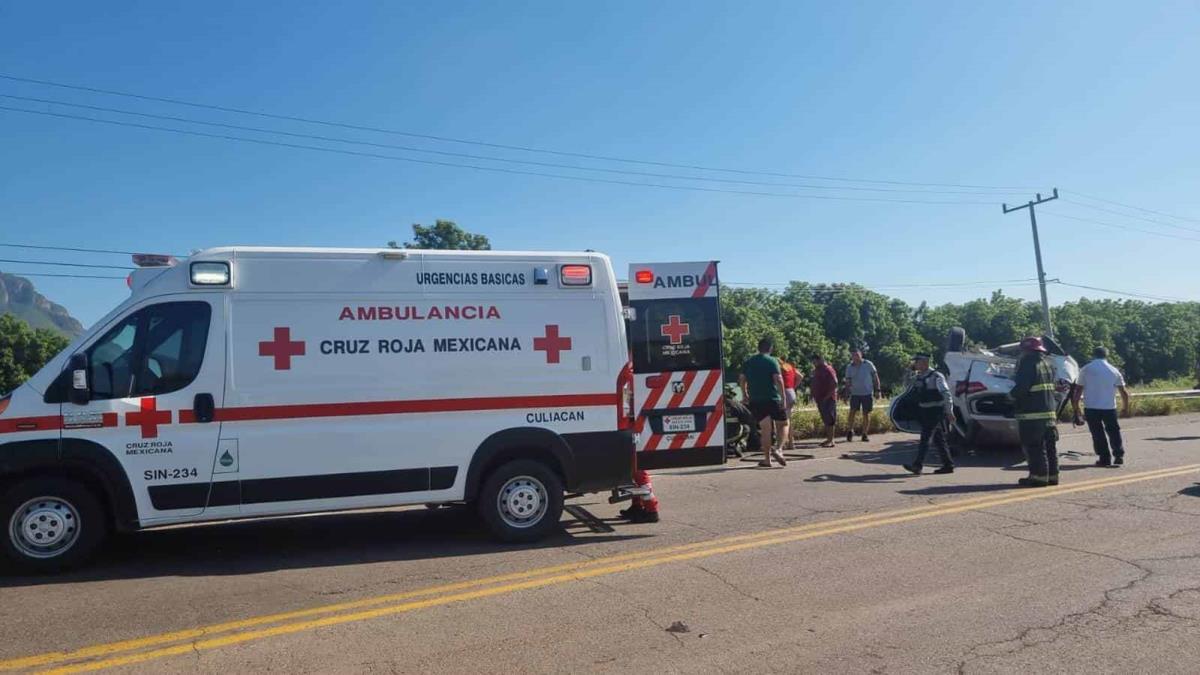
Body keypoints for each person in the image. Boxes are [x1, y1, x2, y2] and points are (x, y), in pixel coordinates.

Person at [1011, 337, 1060, 487]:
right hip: (1049, 413)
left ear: (1026, 350)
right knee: (1050, 447)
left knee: (1034, 447)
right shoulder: (1048, 363)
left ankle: (1038, 477)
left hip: (1032, 414)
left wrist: (1009, 397)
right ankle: (1052, 476)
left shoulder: (1027, 363)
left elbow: (1022, 387)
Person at [1071, 346, 1131, 467]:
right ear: (1106, 355)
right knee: (1114, 431)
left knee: (1097, 434)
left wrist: (1076, 408)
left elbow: (1078, 391)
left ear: (1093, 355)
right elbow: (1123, 392)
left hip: (1091, 407)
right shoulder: (1114, 370)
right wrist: (1125, 407)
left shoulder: (1086, 369)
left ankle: (1104, 458)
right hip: (1109, 407)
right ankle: (1118, 455)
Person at [738, 337, 789, 468]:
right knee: (783, 423)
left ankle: (767, 459)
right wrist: (783, 397)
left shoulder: (748, 362)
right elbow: (778, 379)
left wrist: (745, 394)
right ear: (770, 348)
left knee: (766, 429)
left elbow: (742, 379)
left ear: (758, 348)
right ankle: (779, 449)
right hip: (772, 398)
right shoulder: (772, 361)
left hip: (756, 400)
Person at [901, 354, 955, 475]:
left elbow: (946, 394)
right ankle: (948, 464)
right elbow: (906, 386)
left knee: (925, 437)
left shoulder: (936, 376)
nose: (915, 364)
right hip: (924, 411)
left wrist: (949, 411)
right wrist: (909, 370)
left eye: (917, 362)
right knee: (939, 439)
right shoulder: (918, 377)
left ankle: (917, 465)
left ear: (925, 362)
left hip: (935, 411)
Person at [844, 349, 881, 442]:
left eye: (857, 355)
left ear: (861, 355)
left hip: (867, 393)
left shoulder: (868, 364)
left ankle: (864, 434)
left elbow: (875, 377)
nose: (855, 357)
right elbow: (848, 382)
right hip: (855, 393)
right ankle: (850, 431)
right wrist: (846, 393)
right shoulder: (849, 367)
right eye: (853, 356)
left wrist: (878, 390)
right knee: (852, 412)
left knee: (866, 413)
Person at [809, 354, 839, 448]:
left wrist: (827, 396)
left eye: (815, 361)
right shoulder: (817, 370)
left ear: (820, 360)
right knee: (825, 419)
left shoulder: (828, 369)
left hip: (828, 398)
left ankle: (831, 440)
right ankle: (828, 439)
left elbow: (835, 383)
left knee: (830, 419)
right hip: (820, 398)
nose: (814, 363)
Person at [779, 358, 799, 450]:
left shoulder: (780, 367)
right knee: (788, 418)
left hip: (784, 393)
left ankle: (781, 444)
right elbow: (800, 376)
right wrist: (793, 387)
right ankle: (791, 442)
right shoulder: (790, 367)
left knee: (782, 421)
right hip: (791, 392)